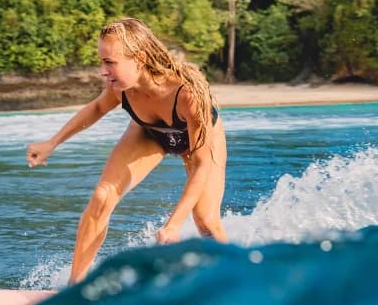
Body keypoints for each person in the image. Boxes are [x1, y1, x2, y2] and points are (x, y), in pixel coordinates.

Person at [26, 17, 228, 285]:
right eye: (102, 61)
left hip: (198, 143)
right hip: (150, 134)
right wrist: (52, 143)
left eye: (110, 62)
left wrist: (174, 225)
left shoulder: (187, 94)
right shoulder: (120, 88)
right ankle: (76, 287)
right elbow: (97, 108)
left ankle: (239, 278)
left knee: (205, 220)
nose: (103, 70)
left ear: (140, 58)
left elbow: (202, 164)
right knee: (102, 196)